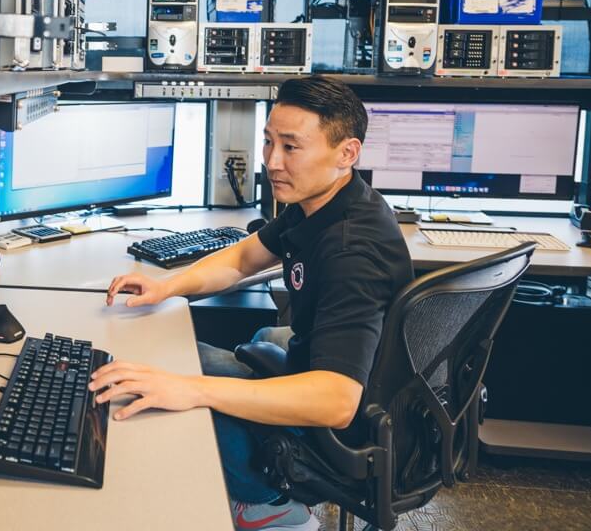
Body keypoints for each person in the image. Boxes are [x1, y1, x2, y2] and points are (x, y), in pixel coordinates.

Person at [92, 75, 413, 531]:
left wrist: (192, 390)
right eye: (268, 142)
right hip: (356, 379)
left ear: (347, 153)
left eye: (290, 147)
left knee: (186, 372)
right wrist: (170, 286)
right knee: (194, 357)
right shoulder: (323, 202)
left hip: (346, 421)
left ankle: (270, 508)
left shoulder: (351, 251)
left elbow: (337, 401)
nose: (272, 162)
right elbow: (244, 257)